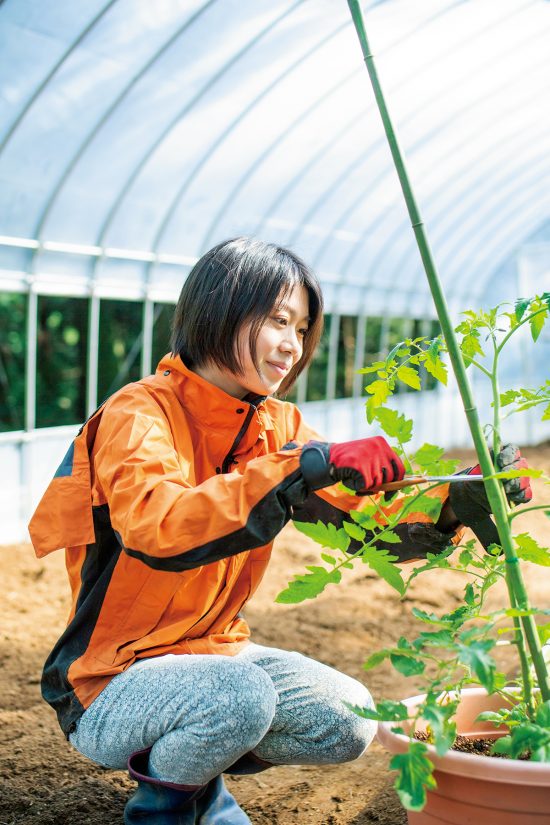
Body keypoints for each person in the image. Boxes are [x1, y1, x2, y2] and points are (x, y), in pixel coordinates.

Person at [29, 237, 532, 824]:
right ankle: (164, 808)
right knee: (240, 698)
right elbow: (159, 526)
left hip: (217, 655)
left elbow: (359, 517)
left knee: (348, 717)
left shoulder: (275, 426)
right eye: (277, 321)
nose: (292, 345)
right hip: (111, 680)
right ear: (220, 308)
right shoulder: (138, 415)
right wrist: (298, 468)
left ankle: (194, 775)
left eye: (302, 329)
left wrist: (451, 501)